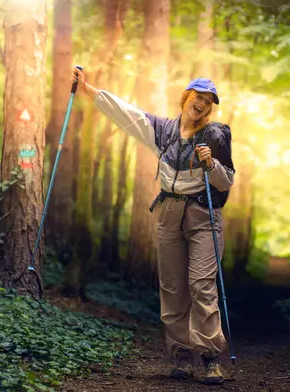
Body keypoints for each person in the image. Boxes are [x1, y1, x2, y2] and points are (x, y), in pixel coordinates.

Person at [71, 67, 235, 385]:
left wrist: (210, 164)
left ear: (211, 108)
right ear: (186, 97)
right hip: (169, 213)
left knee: (201, 285)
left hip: (204, 216)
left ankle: (211, 357)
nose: (201, 104)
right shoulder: (162, 130)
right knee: (172, 288)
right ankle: (182, 356)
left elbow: (226, 181)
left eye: (208, 101)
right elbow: (126, 114)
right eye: (197, 97)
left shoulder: (215, 136)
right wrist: (88, 90)